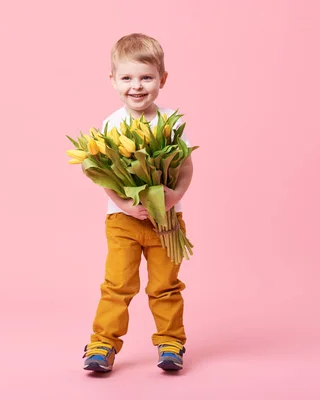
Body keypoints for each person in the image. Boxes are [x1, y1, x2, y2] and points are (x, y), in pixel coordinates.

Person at [83, 33, 194, 372]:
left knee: (165, 286)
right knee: (118, 285)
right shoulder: (111, 124)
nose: (137, 86)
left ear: (162, 79)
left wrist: (174, 196)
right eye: (127, 78)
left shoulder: (170, 122)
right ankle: (102, 345)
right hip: (124, 221)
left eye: (146, 77)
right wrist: (126, 205)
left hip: (165, 221)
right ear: (113, 80)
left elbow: (186, 166)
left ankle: (171, 343)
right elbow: (103, 175)